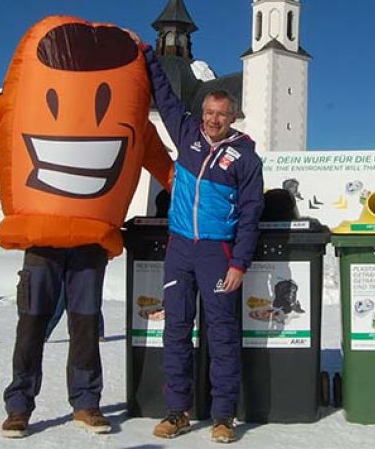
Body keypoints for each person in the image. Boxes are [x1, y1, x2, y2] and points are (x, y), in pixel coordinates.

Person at [0, 26, 174, 439]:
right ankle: (19, 406)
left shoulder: (136, 122)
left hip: (89, 243)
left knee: (85, 325)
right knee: (31, 324)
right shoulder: (20, 101)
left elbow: (168, 171)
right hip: (41, 242)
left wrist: (215, 197)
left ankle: (86, 403)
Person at [131, 33, 262, 444]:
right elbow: (165, 95)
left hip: (218, 253)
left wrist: (239, 262)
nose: (212, 119)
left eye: (221, 114)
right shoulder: (186, 133)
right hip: (180, 248)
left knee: (221, 333)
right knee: (176, 331)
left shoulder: (245, 157)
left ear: (233, 116)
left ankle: (224, 415)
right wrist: (147, 54)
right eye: (208, 112)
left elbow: (251, 212)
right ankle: (178, 412)